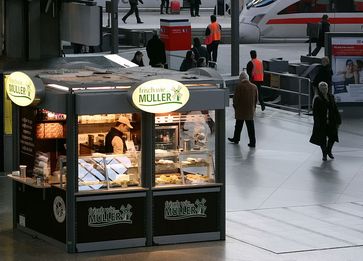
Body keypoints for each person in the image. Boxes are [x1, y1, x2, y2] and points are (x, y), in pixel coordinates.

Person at [309, 82, 341, 161]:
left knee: (332, 137)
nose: (324, 90)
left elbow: (335, 109)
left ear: (327, 88)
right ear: (320, 89)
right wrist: (317, 123)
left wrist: (339, 120)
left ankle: (329, 151)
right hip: (321, 122)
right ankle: (324, 154)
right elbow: (315, 113)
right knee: (322, 139)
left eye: (325, 88)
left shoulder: (331, 97)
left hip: (331, 121)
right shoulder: (317, 98)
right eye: (322, 88)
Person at [228, 71, 258, 147]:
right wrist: (253, 107)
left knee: (238, 125)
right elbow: (256, 99)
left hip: (240, 110)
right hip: (250, 110)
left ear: (241, 79)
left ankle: (236, 138)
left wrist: (235, 107)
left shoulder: (239, 86)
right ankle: (252, 142)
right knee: (250, 127)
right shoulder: (254, 87)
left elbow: (235, 99)